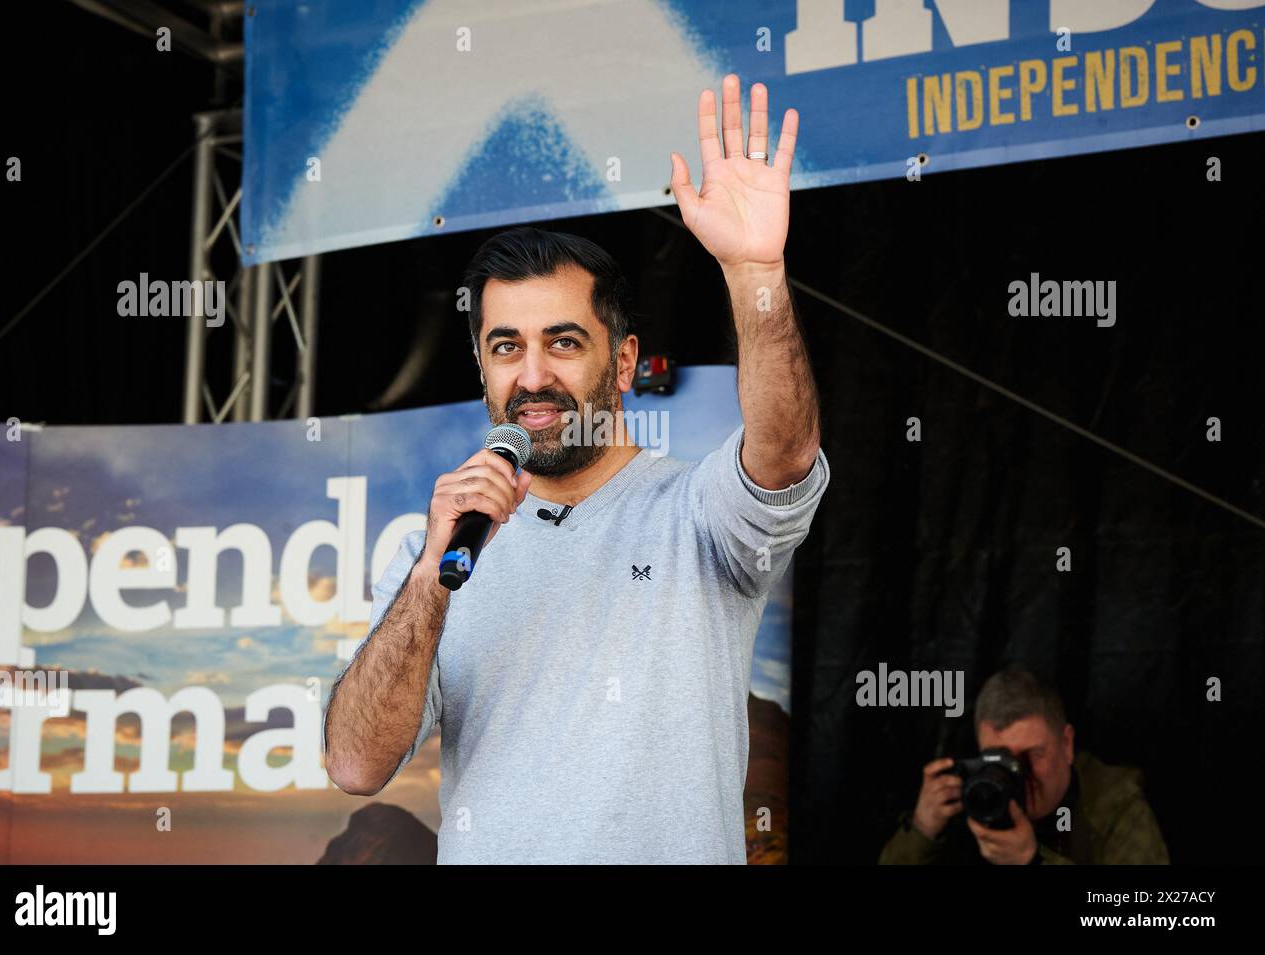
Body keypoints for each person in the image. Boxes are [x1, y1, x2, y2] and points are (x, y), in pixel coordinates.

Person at [323, 75, 830, 863]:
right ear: (482, 368)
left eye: (562, 342)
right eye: (505, 347)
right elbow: (355, 763)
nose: (531, 376)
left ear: (623, 362)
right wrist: (430, 576)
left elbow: (786, 453)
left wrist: (756, 274)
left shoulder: (697, 514)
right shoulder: (438, 553)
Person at [879, 668, 1170, 864]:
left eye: (1033, 754)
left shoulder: (1115, 806)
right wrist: (922, 831)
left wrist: (1031, 861)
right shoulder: (973, 797)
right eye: (999, 759)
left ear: (1066, 744)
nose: (1018, 772)